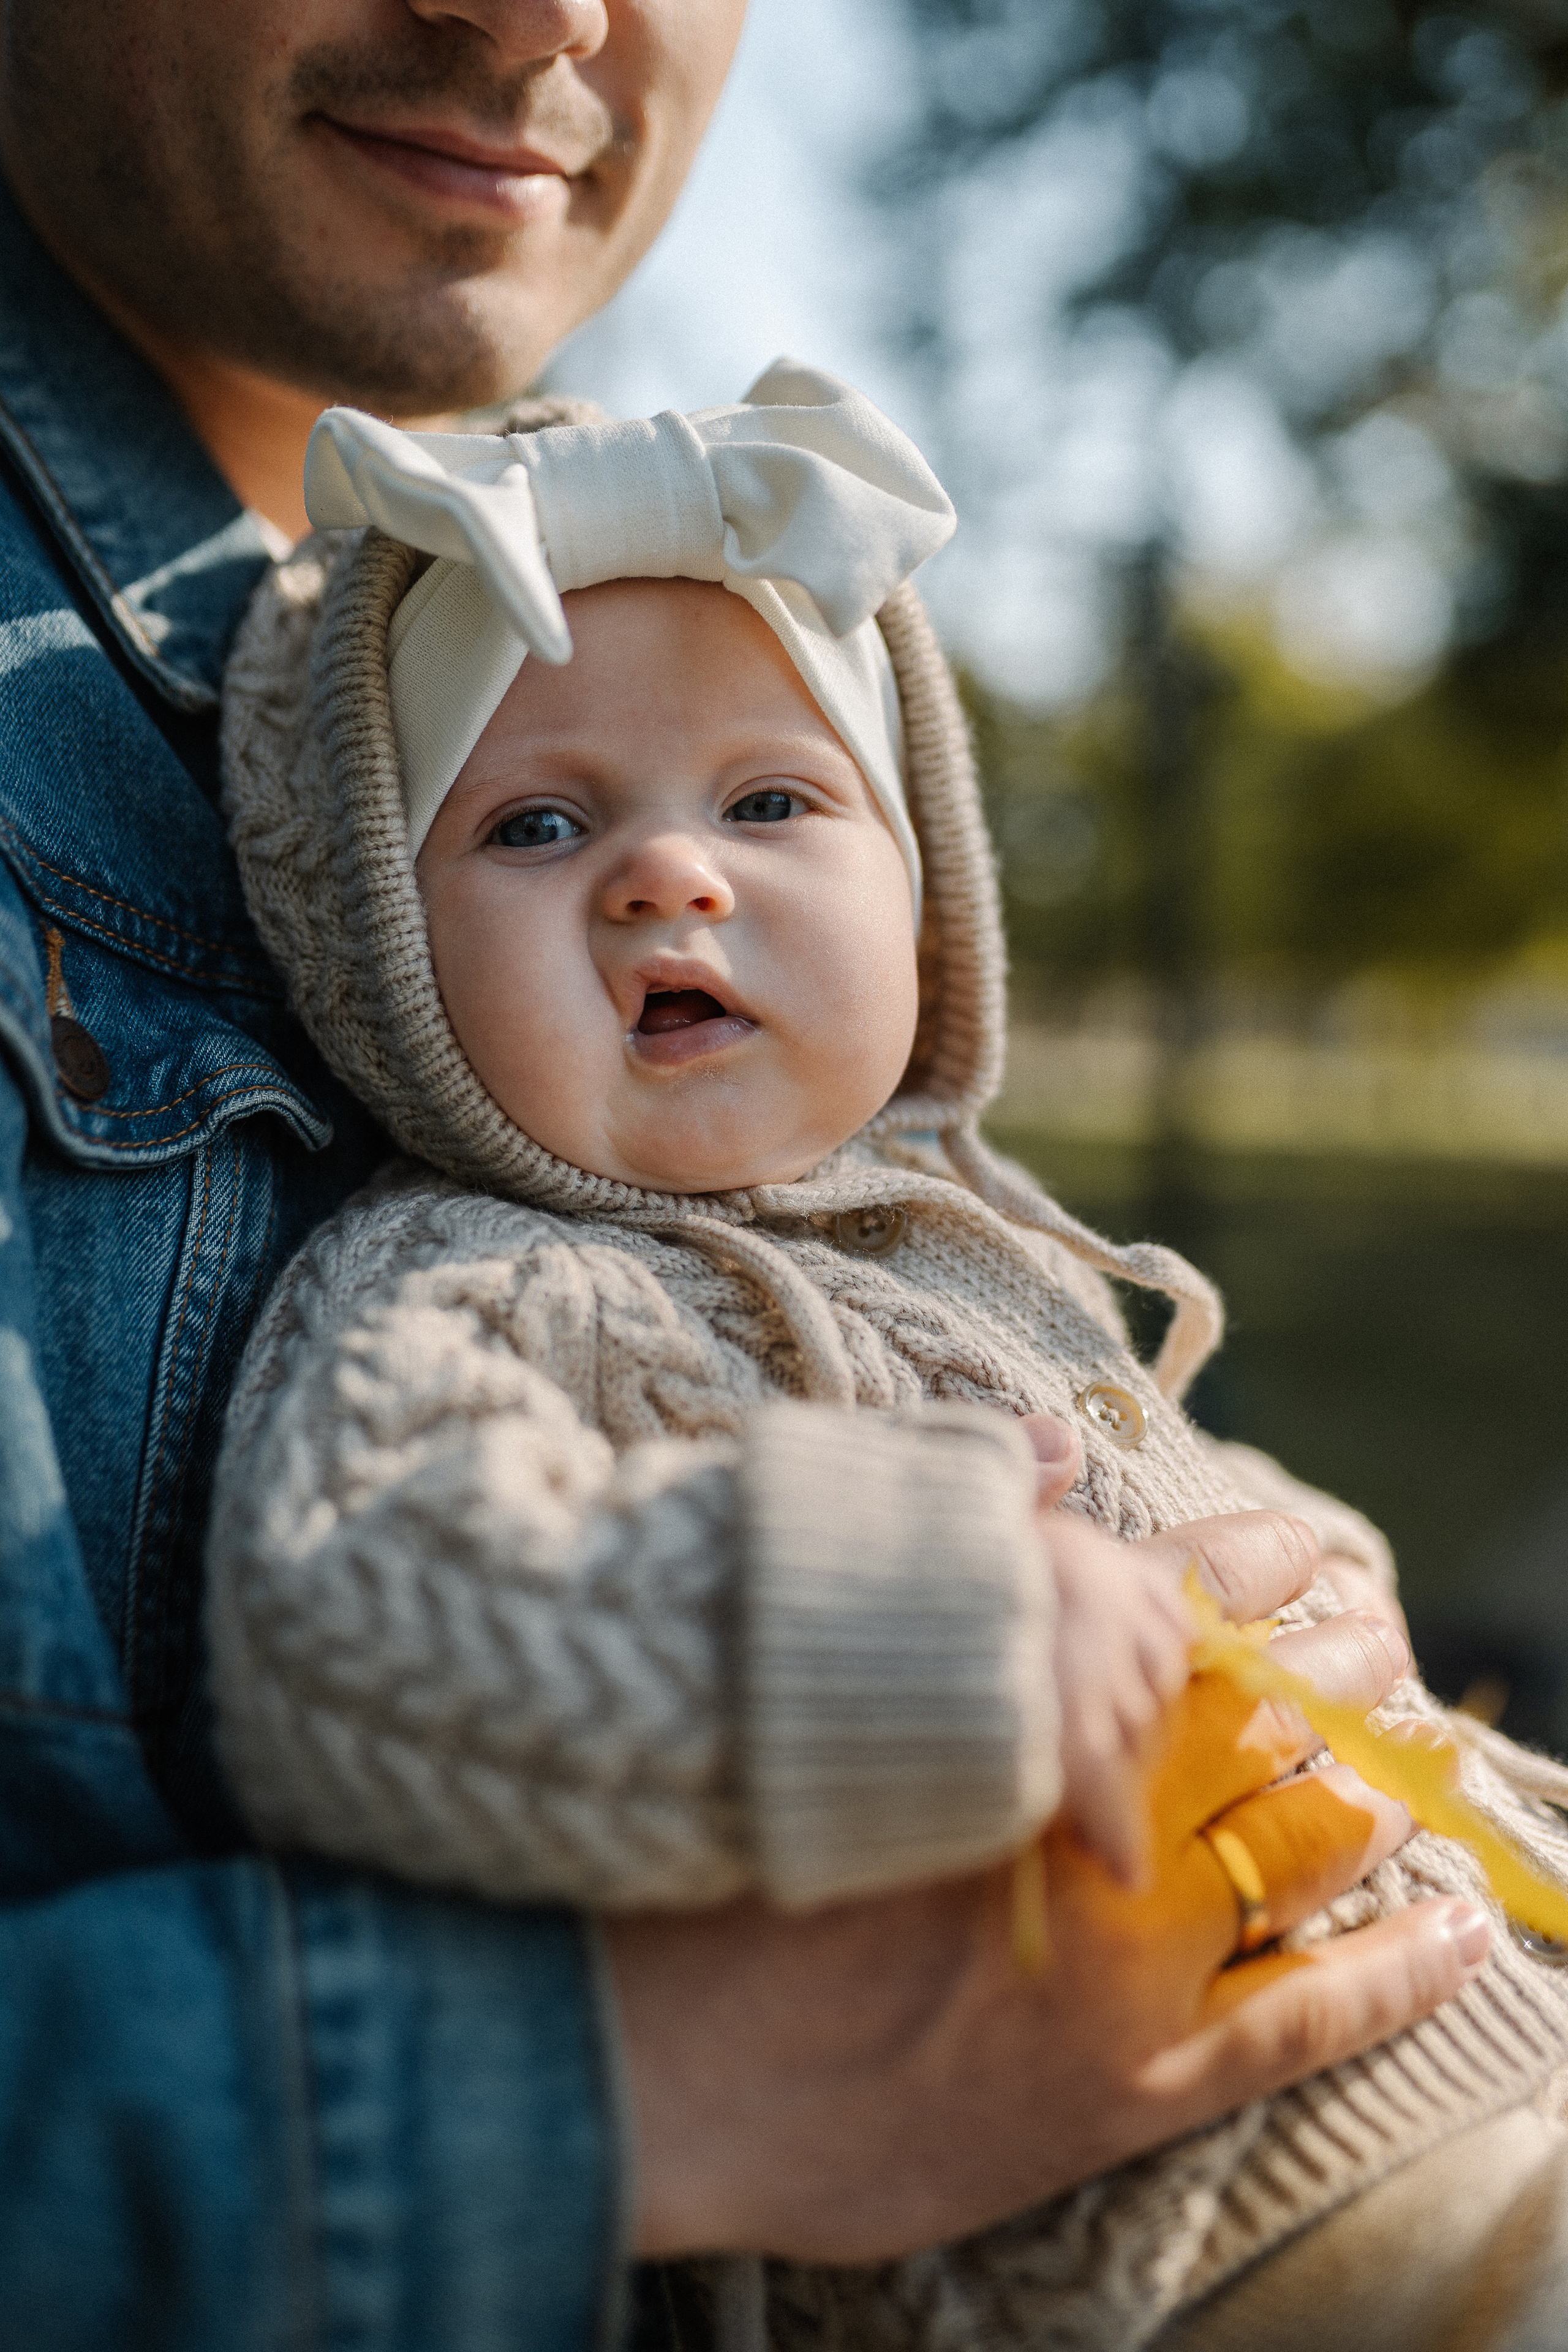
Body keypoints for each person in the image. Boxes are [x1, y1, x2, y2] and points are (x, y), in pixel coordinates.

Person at [0, 1, 1532, 2343]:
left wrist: (1302, 1574)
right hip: (1237, 2256)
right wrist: (892, 1670)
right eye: (535, 830)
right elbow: (373, 1619)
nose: (672, 887)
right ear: (377, 954)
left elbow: (1188, 1499)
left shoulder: (967, 1238)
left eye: (778, 806)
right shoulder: (497, 1294)